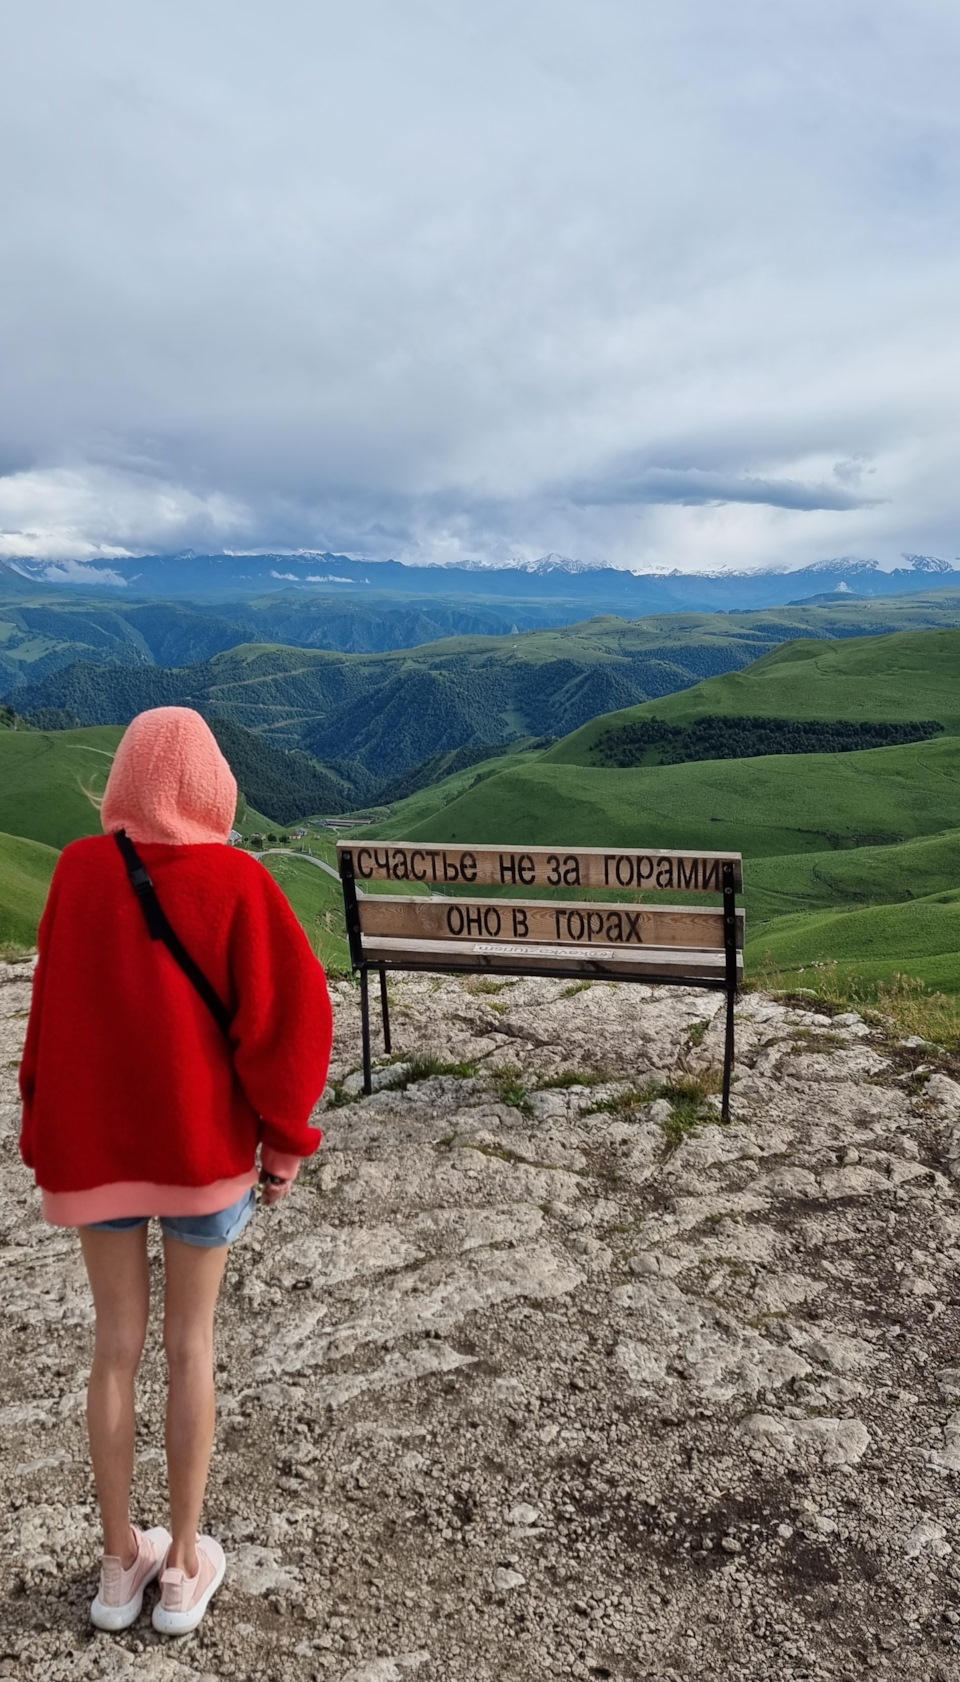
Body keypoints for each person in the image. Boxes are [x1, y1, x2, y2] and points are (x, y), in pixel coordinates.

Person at [18, 707, 333, 1635]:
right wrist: (282, 1143)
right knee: (190, 1347)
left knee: (114, 1348)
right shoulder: (239, 881)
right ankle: (185, 1567)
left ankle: (120, 1569)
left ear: (120, 784)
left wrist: (43, 1133)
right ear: (214, 790)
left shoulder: (78, 871)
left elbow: (48, 1013)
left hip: (96, 1158)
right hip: (203, 1161)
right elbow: (291, 1022)